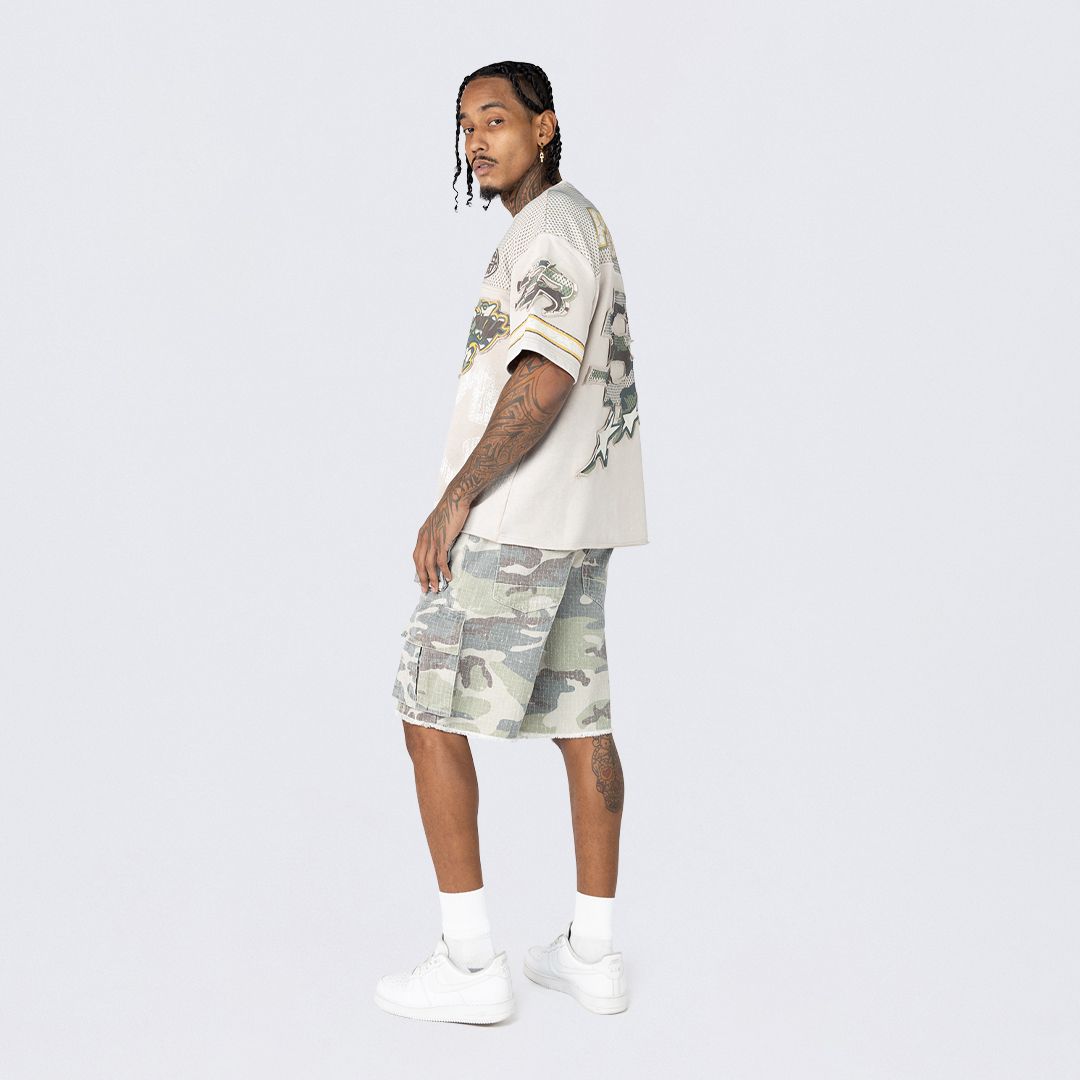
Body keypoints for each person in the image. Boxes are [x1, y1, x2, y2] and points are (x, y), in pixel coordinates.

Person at [374, 60, 648, 1025]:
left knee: (427, 709)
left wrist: (455, 500)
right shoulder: (574, 224)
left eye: (495, 119)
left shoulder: (553, 232)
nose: (476, 141)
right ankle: (592, 956)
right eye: (465, 126)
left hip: (515, 520)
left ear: (545, 126)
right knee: (581, 718)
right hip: (574, 525)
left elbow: (546, 377)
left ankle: (468, 963)